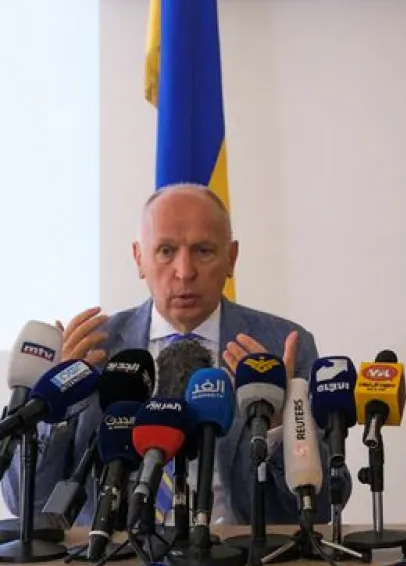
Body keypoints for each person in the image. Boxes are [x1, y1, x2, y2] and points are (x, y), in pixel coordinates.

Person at [2, 183, 324, 526]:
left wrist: (279, 432)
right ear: (139, 258)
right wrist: (56, 408)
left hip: (241, 560)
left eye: (203, 251)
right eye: (166, 251)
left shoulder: (281, 347)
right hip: (109, 560)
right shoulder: (93, 351)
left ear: (231, 258)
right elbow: (24, 501)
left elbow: (321, 507)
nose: (184, 272)